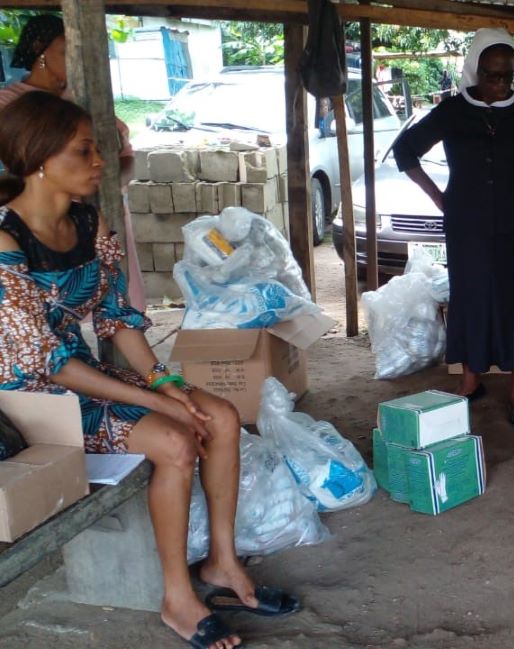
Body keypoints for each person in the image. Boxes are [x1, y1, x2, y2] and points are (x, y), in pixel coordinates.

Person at [0, 92, 300, 649]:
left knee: (222, 415)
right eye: (85, 152)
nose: (99, 163)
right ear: (39, 158)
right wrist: (160, 404)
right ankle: (176, 598)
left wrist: (163, 381)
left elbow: (116, 318)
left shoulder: (87, 222)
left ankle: (222, 566)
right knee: (175, 440)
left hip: (83, 374)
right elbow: (41, 360)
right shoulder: (5, 240)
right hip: (30, 398)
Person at [393, 28, 514, 425]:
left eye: (507, 75)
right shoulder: (452, 112)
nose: (500, 84)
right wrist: (438, 197)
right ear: (474, 70)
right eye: (492, 75)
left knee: (513, 299)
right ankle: (469, 383)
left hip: (513, 220)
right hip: (465, 222)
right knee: (471, 296)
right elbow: (405, 150)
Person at [0, 12, 147, 312]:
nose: (98, 161)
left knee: (121, 297)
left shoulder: (87, 100)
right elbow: (39, 349)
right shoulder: (10, 103)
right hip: (42, 220)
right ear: (41, 50)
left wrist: (108, 187)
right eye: (66, 50)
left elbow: (123, 152)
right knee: (48, 308)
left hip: (99, 207)